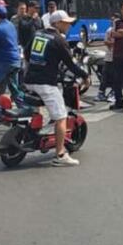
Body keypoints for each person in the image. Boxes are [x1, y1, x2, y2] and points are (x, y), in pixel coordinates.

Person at [23, 10, 89, 166]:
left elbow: (26, 54)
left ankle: (37, 132)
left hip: (29, 80)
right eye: (66, 23)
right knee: (61, 117)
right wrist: (85, 76)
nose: (69, 26)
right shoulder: (59, 40)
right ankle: (60, 155)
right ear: (57, 23)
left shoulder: (37, 34)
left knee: (40, 107)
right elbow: (70, 64)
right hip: (45, 83)